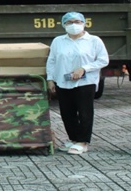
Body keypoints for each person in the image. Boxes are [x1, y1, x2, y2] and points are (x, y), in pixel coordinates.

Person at [46, 11, 109, 155]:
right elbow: (52, 60)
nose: (73, 25)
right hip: (63, 81)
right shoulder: (58, 41)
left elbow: (103, 60)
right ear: (63, 25)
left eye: (77, 22)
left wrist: (84, 68)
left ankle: (83, 141)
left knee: (84, 111)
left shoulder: (94, 40)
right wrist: (50, 78)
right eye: (69, 22)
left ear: (84, 23)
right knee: (67, 112)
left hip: (86, 82)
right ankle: (73, 139)